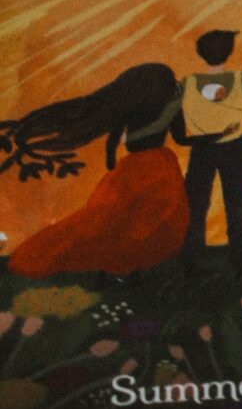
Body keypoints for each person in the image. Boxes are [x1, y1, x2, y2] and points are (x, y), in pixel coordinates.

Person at [1, 62, 189, 277]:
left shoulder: (132, 109)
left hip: (135, 170)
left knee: (109, 221)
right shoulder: (167, 108)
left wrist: (112, 165)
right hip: (155, 168)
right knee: (131, 222)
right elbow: (181, 138)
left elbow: (113, 142)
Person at [172, 29, 242, 252]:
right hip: (236, 146)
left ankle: (191, 254)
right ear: (229, 51)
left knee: (195, 201)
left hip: (202, 146)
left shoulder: (187, 83)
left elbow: (173, 115)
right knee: (239, 201)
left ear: (200, 53)